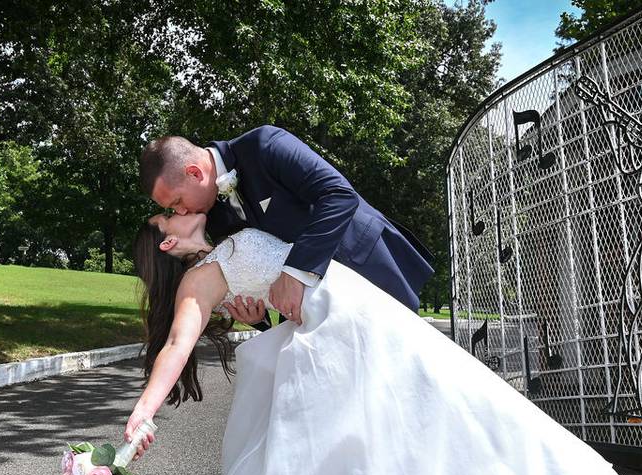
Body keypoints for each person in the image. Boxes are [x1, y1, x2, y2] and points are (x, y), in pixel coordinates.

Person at [124, 217, 630, 475]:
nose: (176, 207)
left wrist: (260, 314)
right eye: (167, 211)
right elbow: (177, 344)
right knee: (357, 455)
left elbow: (279, 280)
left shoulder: (229, 240)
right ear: (169, 241)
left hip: (351, 308)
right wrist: (144, 410)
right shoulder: (200, 279)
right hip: (332, 330)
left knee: (450, 402)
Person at [138, 125, 434, 328]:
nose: (181, 211)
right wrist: (258, 318)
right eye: (172, 210)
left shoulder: (264, 144)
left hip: (365, 267)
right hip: (315, 311)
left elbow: (339, 195)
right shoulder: (212, 217)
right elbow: (261, 273)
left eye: (177, 201)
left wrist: (295, 271)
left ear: (194, 172)